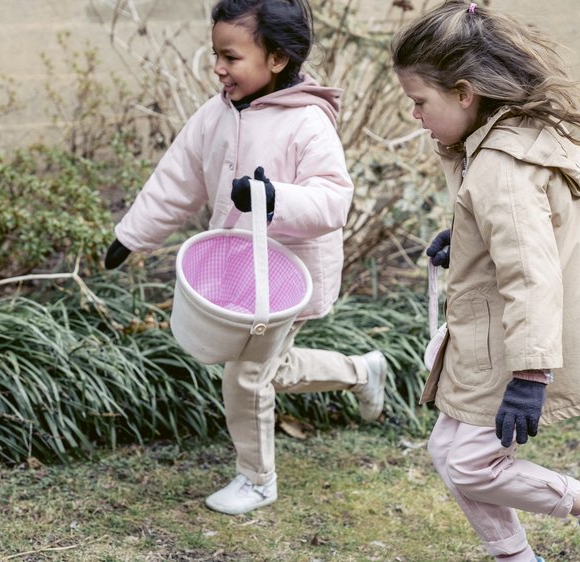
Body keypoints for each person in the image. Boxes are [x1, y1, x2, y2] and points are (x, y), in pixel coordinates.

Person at [391, 1, 580, 561]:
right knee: (449, 450)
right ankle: (515, 556)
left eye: (419, 101)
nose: (414, 115)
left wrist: (530, 373)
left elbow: (531, 273)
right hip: (488, 335)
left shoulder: (502, 166)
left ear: (465, 93)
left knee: (469, 461)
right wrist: (462, 240)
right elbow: (509, 235)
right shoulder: (502, 141)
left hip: (509, 346)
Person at [104, 0, 387, 516]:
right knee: (264, 370)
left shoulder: (307, 123)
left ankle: (257, 480)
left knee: (247, 377)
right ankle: (360, 372)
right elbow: (178, 177)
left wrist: (272, 196)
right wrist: (132, 234)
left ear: (276, 58)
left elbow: (333, 200)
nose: (218, 67)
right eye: (216, 54)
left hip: (285, 276)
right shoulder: (215, 113)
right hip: (237, 275)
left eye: (231, 57)